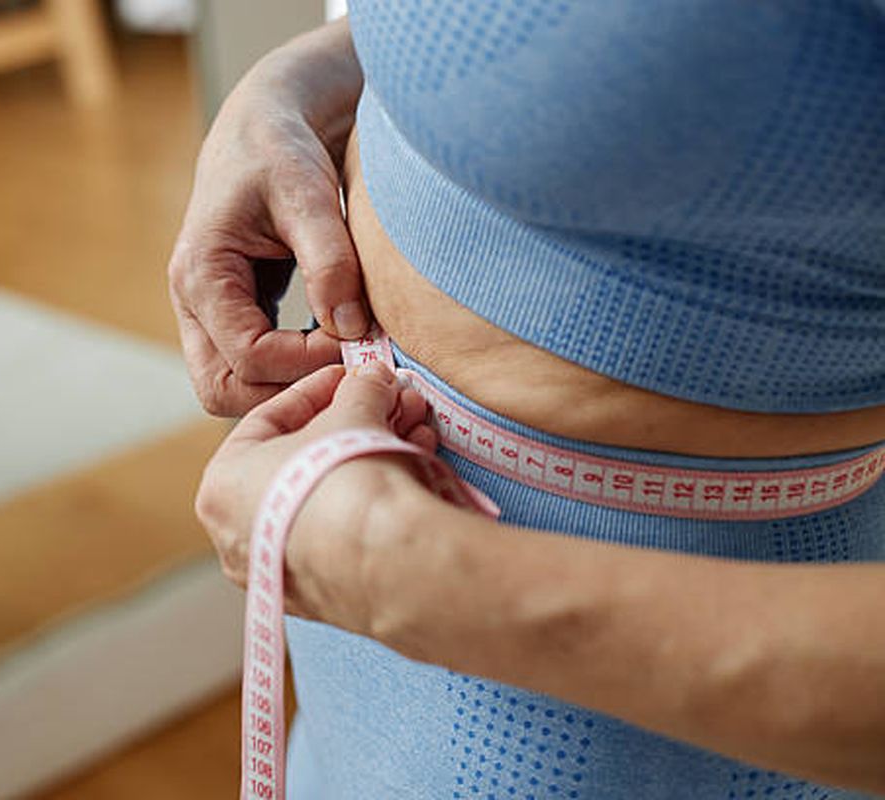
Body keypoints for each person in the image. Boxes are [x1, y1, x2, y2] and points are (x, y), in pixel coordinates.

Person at [168, 4, 885, 798]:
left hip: (688, 691)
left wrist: (401, 577)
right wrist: (304, 85)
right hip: (357, 606)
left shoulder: (398, 573)